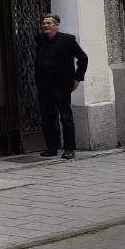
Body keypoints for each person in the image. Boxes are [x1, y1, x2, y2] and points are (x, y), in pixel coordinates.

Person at [34, 13, 88, 160]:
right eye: (44, 23)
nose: (46, 25)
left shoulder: (67, 40)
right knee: (47, 117)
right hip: (44, 85)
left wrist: (77, 78)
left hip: (61, 85)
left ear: (56, 25)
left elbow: (83, 58)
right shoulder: (40, 39)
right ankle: (51, 148)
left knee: (65, 117)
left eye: (49, 23)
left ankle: (69, 149)